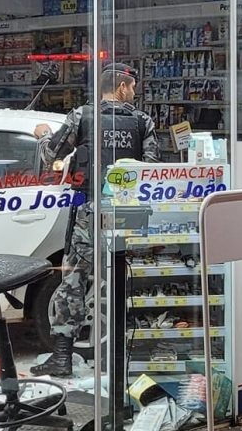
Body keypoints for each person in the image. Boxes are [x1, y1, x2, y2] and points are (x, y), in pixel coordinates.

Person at [30, 62, 159, 377]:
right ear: (120, 87)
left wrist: (43, 135)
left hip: (90, 211)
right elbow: (152, 170)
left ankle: (62, 356)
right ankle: (129, 354)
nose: (134, 92)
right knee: (128, 279)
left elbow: (51, 156)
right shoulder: (143, 122)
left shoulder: (80, 117)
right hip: (129, 214)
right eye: (132, 87)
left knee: (75, 280)